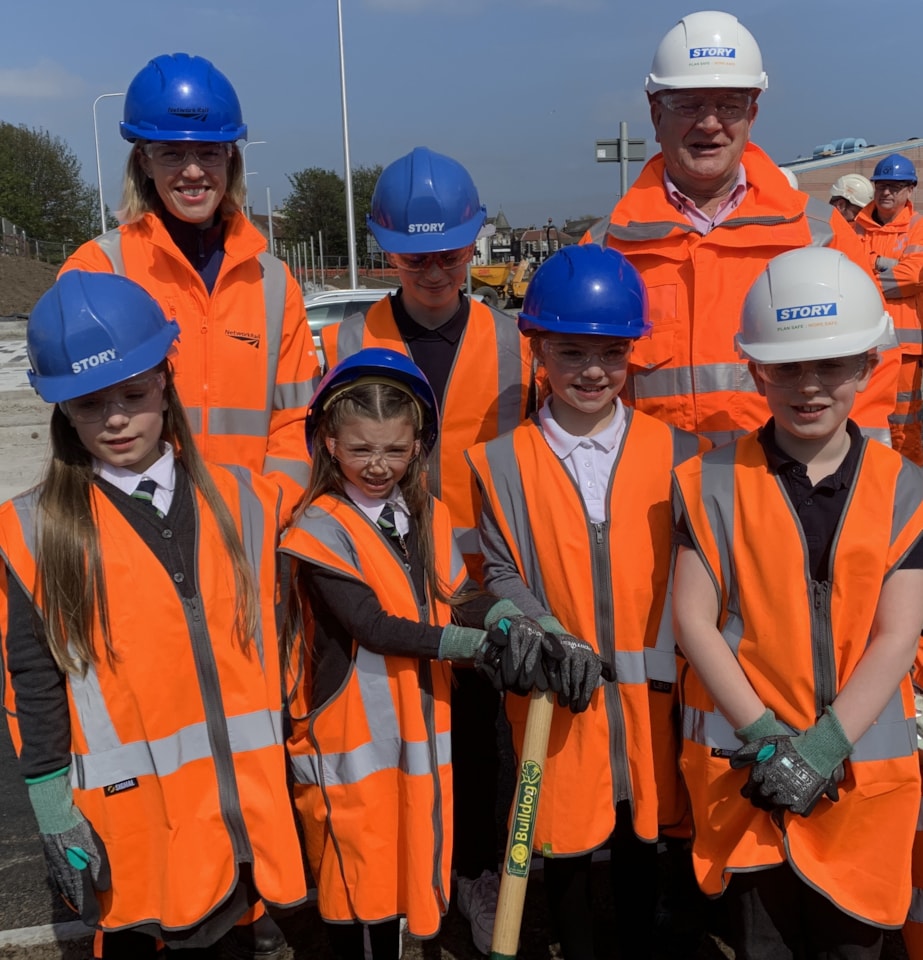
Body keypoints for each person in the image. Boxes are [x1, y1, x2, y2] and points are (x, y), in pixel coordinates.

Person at [0, 272, 307, 960]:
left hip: (243, 819)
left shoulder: (245, 503)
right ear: (61, 410)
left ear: (165, 384)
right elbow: (33, 681)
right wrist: (52, 812)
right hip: (134, 828)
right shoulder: (35, 531)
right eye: (89, 404)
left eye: (133, 395)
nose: (115, 418)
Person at [672, 246, 923, 959]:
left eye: (830, 365)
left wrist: (821, 747)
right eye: (785, 366)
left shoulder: (904, 490)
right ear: (755, 368)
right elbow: (694, 619)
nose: (807, 386)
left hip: (859, 790)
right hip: (747, 783)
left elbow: (896, 636)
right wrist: (764, 736)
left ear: (865, 367)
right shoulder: (708, 481)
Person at [320, 147, 533, 954]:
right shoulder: (346, 336)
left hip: (476, 582)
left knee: (481, 743)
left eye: (448, 252)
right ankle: (396, 882)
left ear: (473, 244)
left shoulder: (514, 342)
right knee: (386, 747)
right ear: (388, 252)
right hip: (374, 579)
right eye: (415, 255)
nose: (434, 269)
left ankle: (474, 879)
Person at [466, 246, 707, 960]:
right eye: (570, 352)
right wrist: (543, 633)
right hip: (557, 697)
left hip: (652, 697)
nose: (593, 370)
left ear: (632, 351)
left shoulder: (677, 453)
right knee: (563, 842)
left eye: (611, 351)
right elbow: (499, 569)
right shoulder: (500, 461)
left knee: (642, 833)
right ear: (536, 348)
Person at [280, 347, 550, 960]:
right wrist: (477, 645)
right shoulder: (318, 528)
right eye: (361, 450)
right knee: (355, 890)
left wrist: (514, 619)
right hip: (349, 747)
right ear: (328, 443)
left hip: (411, 737)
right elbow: (373, 625)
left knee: (401, 880)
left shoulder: (422, 513)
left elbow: (457, 594)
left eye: (395, 451)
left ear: (419, 446)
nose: (378, 466)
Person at [582, 10, 898, 448]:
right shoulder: (603, 251)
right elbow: (568, 391)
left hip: (785, 499)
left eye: (728, 105)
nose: (710, 123)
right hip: (651, 503)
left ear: (752, 114)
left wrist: (848, 486)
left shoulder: (819, 237)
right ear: (656, 115)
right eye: (688, 104)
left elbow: (871, 369)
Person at [60, 52, 318, 519]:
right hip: (136, 528)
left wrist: (265, 509)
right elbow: (81, 415)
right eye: (173, 152)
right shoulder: (97, 270)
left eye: (208, 151)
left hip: (253, 528)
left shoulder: (274, 282)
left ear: (231, 157)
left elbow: (297, 419)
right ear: (144, 159)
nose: (193, 171)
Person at [853, 153, 923, 463]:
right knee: (863, 419)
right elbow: (844, 273)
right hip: (862, 343)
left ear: (910, 190)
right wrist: (885, 266)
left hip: (906, 348)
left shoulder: (918, 228)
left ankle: (910, 487)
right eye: (881, 185)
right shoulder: (854, 228)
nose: (886, 193)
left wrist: (866, 274)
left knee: (904, 424)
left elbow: (914, 276)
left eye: (895, 186)